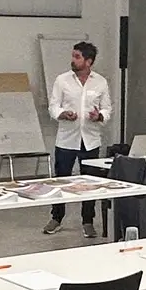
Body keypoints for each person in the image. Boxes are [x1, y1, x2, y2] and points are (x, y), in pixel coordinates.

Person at [44, 42, 110, 237]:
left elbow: (107, 108)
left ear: (88, 61)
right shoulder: (62, 80)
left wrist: (99, 116)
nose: (73, 60)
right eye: (73, 56)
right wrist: (63, 113)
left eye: (77, 57)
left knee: (89, 182)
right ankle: (56, 217)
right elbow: (53, 106)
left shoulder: (100, 82)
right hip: (66, 139)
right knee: (61, 180)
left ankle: (88, 221)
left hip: (90, 140)